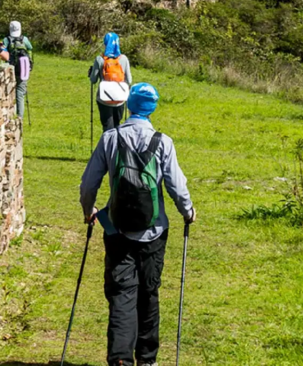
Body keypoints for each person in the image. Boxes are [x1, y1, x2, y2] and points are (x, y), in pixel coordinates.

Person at [80, 83, 197, 366]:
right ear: (152, 109)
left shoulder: (110, 138)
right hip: (154, 231)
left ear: (129, 105)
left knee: (122, 293)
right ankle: (147, 360)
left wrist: (89, 210)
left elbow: (88, 183)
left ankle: (120, 359)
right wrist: (188, 211)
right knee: (148, 291)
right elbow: (176, 186)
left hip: (116, 228)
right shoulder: (162, 141)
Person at [89, 32, 132, 131]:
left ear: (105, 43)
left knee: (107, 127)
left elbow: (93, 80)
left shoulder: (100, 59)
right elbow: (129, 80)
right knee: (117, 125)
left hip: (104, 99)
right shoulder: (124, 59)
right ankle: (116, 145)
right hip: (120, 99)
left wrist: (91, 73)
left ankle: (107, 145)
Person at [1, 20, 33, 119]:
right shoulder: (25, 39)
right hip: (24, 67)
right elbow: (30, 48)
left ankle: (8, 115)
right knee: (20, 92)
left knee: (8, 90)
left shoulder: (6, 40)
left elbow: (2, 51)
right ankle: (20, 117)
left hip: (11, 67)